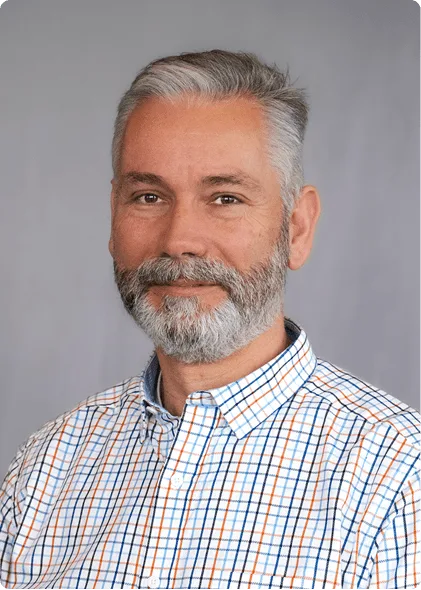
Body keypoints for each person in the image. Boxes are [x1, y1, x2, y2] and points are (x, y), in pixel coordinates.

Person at [0, 49, 420, 590]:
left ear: (296, 227)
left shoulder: (398, 482)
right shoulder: (46, 468)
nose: (179, 240)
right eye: (148, 196)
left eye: (225, 198)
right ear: (112, 216)